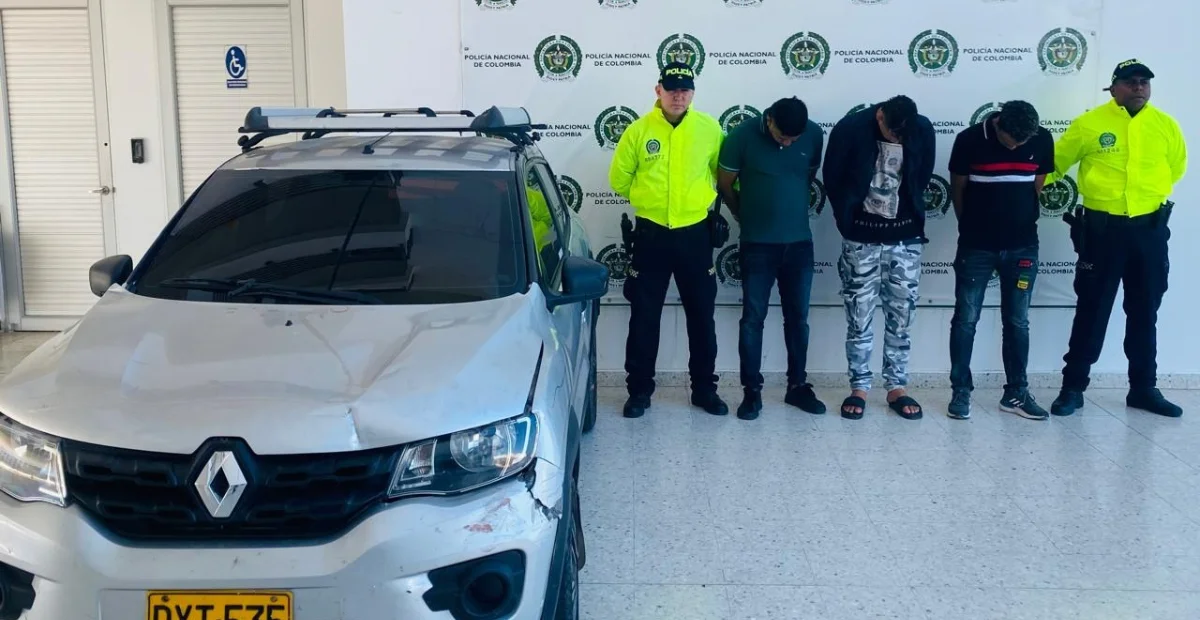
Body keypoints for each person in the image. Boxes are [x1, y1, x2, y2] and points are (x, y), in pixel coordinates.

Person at [1048, 59, 1188, 418]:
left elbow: (1175, 168)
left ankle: (1143, 389)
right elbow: (1054, 166)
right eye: (1130, 82)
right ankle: (1073, 388)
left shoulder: (1164, 126)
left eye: (1144, 82)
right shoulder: (1090, 124)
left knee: (1145, 312)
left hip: (1149, 231)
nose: (1139, 87)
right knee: (1092, 311)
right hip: (1102, 232)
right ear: (1114, 87)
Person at [608, 61, 728, 418]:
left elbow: (720, 175)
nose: (679, 95)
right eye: (672, 88)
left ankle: (705, 389)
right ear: (657, 90)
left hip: (695, 235)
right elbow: (619, 180)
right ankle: (639, 391)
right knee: (645, 316)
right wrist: (651, 201)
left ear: (693, 92)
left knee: (702, 317)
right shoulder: (638, 131)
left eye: (685, 89)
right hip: (652, 235)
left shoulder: (709, 129)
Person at [822, 95, 935, 420]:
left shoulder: (922, 129)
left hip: (906, 239)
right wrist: (849, 222)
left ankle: (896, 387)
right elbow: (833, 178)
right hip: (862, 239)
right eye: (892, 133)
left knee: (902, 315)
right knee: (859, 316)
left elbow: (922, 175)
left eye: (903, 136)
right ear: (880, 115)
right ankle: (859, 386)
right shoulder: (851, 128)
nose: (897, 139)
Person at [716, 97, 827, 420]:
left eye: (794, 139)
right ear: (769, 121)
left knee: (798, 319)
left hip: (799, 244)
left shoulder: (814, 134)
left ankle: (798, 386)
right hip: (758, 244)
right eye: (783, 137)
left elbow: (808, 174)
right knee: (753, 319)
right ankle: (752, 392)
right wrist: (744, 214)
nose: (789, 142)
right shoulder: (741, 136)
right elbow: (725, 185)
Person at [945, 101, 1055, 420]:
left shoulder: (1041, 138)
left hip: (1023, 247)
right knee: (966, 319)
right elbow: (958, 189)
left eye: (1024, 141)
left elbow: (1037, 185)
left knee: (1017, 321)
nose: (1018, 145)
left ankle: (1016, 394)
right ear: (997, 124)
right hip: (976, 247)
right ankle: (961, 392)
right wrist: (971, 228)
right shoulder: (969, 140)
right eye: (1013, 140)